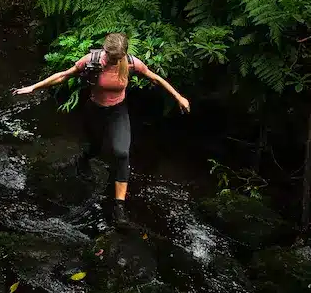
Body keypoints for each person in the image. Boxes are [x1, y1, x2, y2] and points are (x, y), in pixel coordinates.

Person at [12, 33, 190, 224]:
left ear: (123, 54)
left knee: (122, 152)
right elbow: (64, 76)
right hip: (94, 110)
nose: (113, 61)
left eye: (117, 58)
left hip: (118, 111)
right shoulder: (92, 61)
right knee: (95, 147)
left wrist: (178, 96)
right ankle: (83, 159)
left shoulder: (131, 63)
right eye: (110, 57)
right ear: (104, 50)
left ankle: (119, 207)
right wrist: (33, 87)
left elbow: (154, 77)